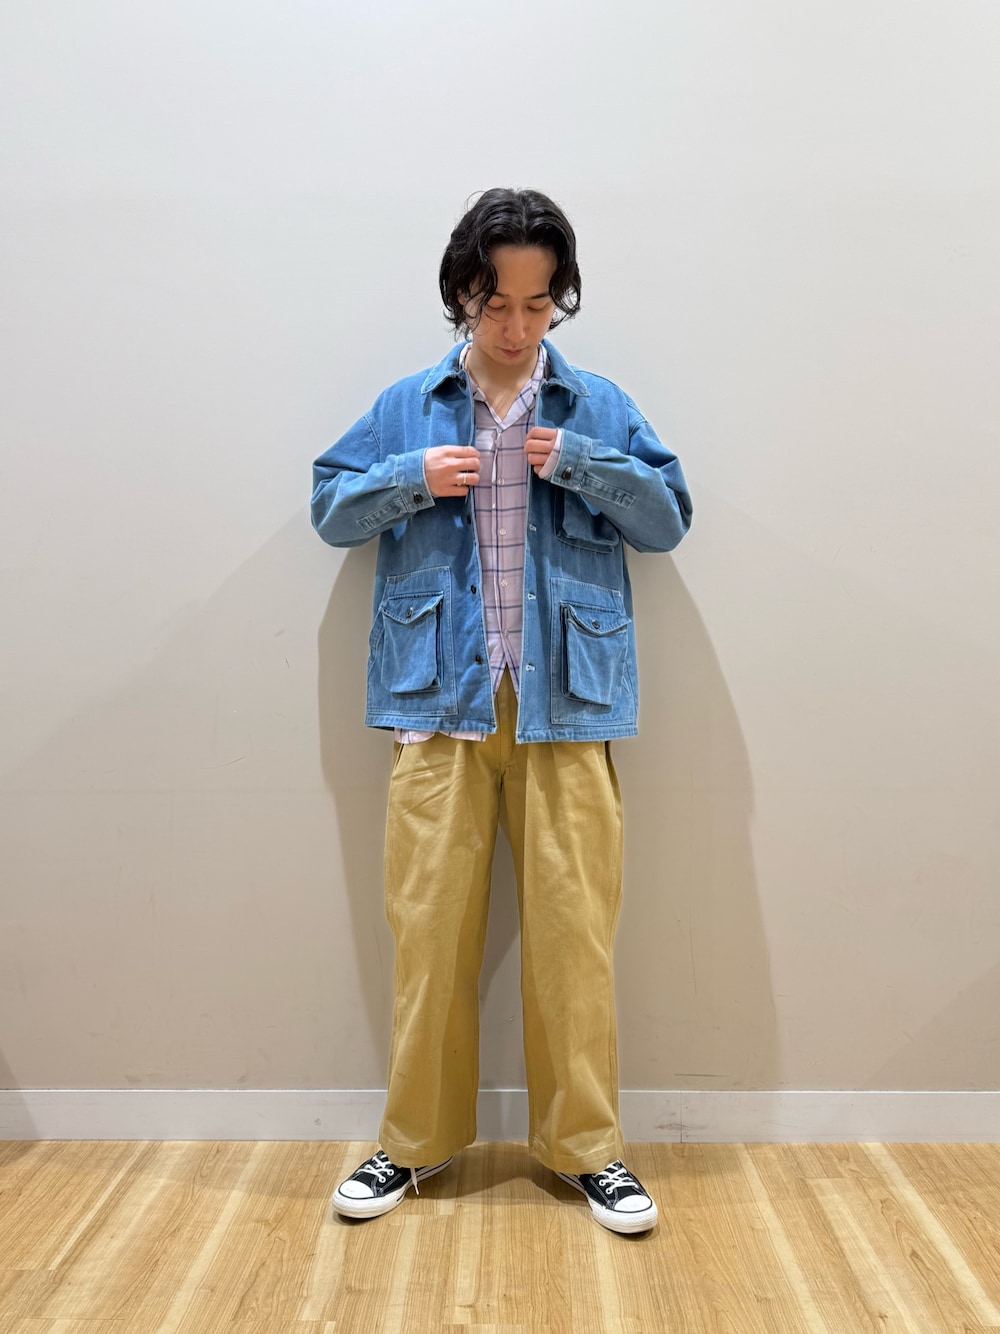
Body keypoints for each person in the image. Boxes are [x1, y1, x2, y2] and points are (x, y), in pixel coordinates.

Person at [311, 188, 692, 1234]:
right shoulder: (408, 406)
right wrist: (407, 478)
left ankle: (588, 1150)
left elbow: (668, 519)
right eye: (495, 303)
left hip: (568, 706)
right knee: (428, 936)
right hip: (439, 706)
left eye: (537, 303)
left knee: (575, 943)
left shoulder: (597, 405)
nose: (517, 326)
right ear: (461, 296)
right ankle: (413, 1143)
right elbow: (329, 508)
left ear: (558, 299)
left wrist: (579, 461)